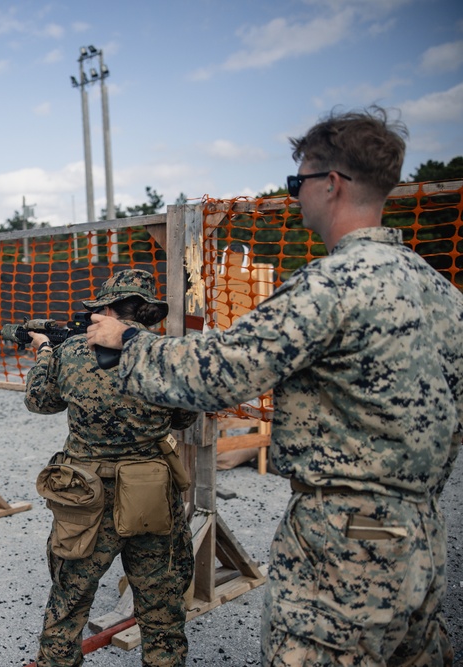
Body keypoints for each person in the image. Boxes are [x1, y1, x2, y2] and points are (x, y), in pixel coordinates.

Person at [86, 106, 462, 665]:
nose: (295, 196)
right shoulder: (443, 293)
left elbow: (219, 372)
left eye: (298, 182)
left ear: (330, 184)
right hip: (423, 533)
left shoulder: (332, 285)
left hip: (344, 539)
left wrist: (128, 342)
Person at [24, 269, 198, 667]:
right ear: (145, 312)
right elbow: (183, 420)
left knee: (68, 601)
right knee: (162, 609)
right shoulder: (164, 351)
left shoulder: (69, 352)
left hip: (85, 494)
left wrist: (45, 351)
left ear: (105, 308)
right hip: (151, 493)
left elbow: (40, 401)